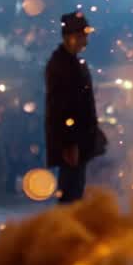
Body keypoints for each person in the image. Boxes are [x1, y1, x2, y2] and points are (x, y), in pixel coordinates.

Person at [45, 11, 103, 203]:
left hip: (77, 139)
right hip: (71, 142)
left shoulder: (72, 63)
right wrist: (69, 143)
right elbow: (62, 108)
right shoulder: (61, 65)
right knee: (70, 193)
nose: (85, 41)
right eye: (81, 36)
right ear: (70, 37)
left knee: (74, 190)